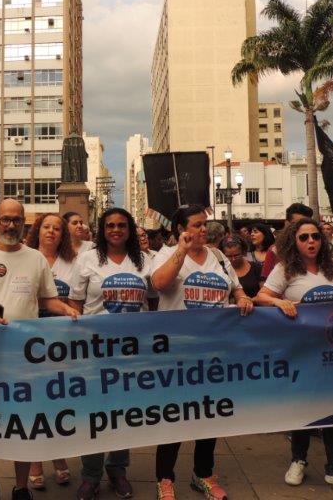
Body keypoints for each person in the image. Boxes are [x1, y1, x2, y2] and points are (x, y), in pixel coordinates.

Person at [0, 199, 77, 500]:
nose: (11, 225)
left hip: (25, 355)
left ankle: (21, 488)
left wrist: (65, 309)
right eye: (5, 219)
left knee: (23, 419)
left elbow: (47, 299)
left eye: (17, 220)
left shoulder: (35, 259)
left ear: (24, 222)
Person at [256, 218, 333, 491]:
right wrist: (280, 302)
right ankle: (298, 460)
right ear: (294, 242)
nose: (311, 242)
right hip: (302, 350)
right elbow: (261, 296)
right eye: (304, 237)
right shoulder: (285, 269)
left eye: (316, 237)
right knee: (304, 406)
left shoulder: (331, 268)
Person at [151, 205, 254, 500]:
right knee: (174, 416)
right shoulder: (167, 254)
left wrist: (242, 297)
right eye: (196, 225)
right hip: (177, 352)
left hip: (214, 352)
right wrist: (181, 251)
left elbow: (235, 288)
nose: (203, 230)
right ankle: (165, 478)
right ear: (180, 229)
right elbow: (159, 284)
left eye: (204, 224)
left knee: (209, 414)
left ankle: (203, 473)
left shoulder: (218, 256)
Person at [69, 208, 153, 500]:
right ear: (102, 230)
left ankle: (118, 469)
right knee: (94, 412)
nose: (116, 230)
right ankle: (90, 475)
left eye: (121, 225)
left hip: (132, 351)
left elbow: (155, 301)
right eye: (110, 226)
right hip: (95, 349)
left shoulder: (145, 260)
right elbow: (75, 303)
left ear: (129, 230)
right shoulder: (87, 259)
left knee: (123, 411)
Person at [25, 213, 77, 490]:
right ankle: (35, 461)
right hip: (29, 343)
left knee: (57, 402)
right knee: (33, 404)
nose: (52, 232)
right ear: (37, 230)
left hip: (62, 343)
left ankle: (58, 455)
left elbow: (78, 299)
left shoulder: (73, 262)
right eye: (46, 227)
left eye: (57, 228)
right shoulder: (26, 258)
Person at [261, 203, 314, 280]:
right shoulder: (275, 250)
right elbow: (265, 281)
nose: (300, 228)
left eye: (305, 224)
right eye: (296, 224)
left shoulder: (317, 248)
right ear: (287, 223)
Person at [220, 235, 261, 299]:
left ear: (243, 252)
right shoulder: (220, 270)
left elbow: (264, 293)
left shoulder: (256, 268)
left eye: (237, 255)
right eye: (229, 256)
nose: (233, 259)